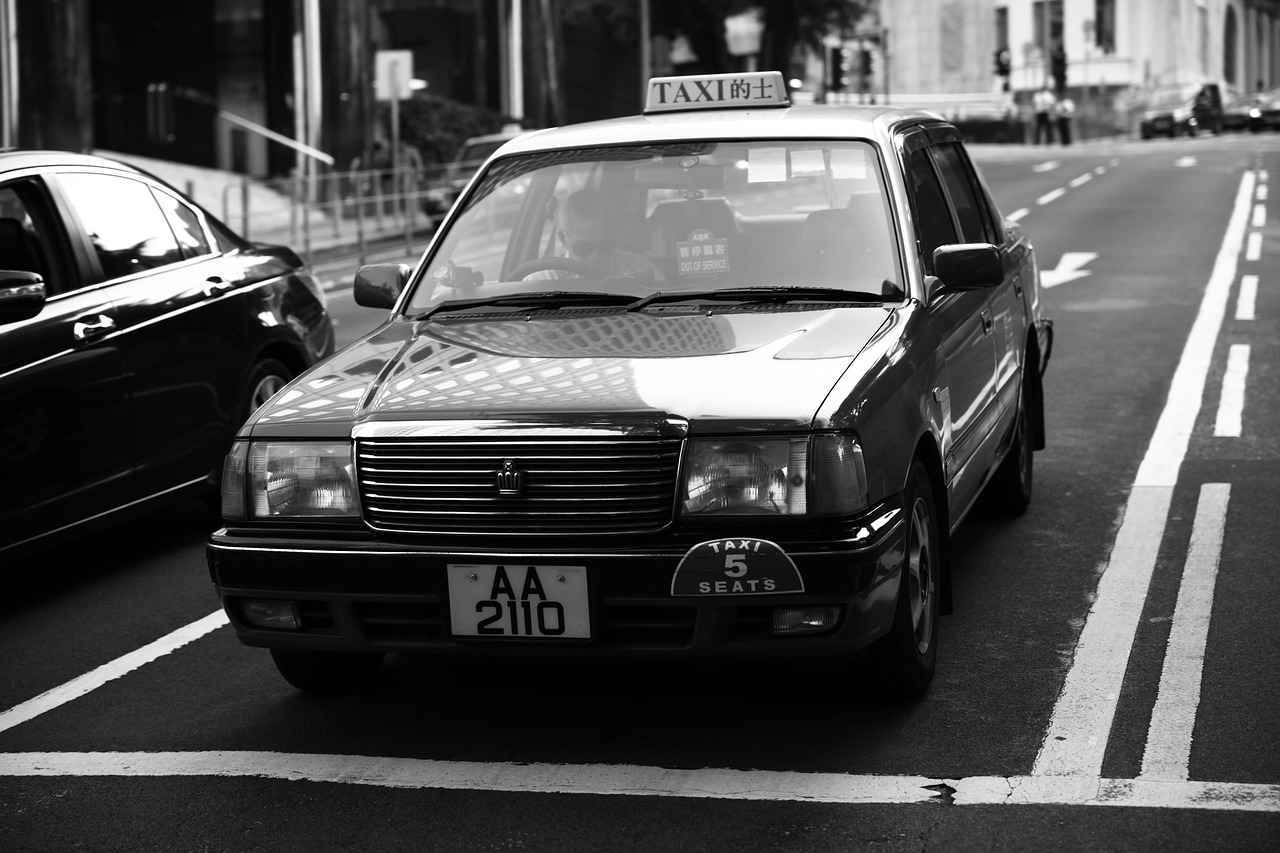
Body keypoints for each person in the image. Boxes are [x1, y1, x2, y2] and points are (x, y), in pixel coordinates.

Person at [526, 190, 663, 282]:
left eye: (605, 247)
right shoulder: (542, 282)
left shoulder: (641, 268)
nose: (596, 257)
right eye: (584, 249)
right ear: (563, 239)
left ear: (612, 234)